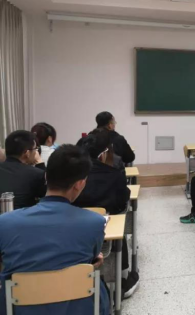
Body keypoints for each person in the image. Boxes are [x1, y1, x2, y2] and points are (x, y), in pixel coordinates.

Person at [0, 145, 110, 315]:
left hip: (20, 309)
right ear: (80, 184)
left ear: (45, 176)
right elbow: (90, 259)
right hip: (78, 308)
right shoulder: (95, 222)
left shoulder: (5, 222)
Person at [75, 130, 138, 298]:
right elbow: (122, 203)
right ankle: (123, 279)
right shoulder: (114, 175)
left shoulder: (72, 175)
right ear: (103, 154)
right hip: (105, 233)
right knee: (120, 223)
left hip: (73, 233)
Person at [0, 130, 46, 209]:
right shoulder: (36, 174)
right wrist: (40, 163)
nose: (36, 152)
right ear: (27, 153)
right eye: (35, 149)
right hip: (24, 215)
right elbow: (45, 195)